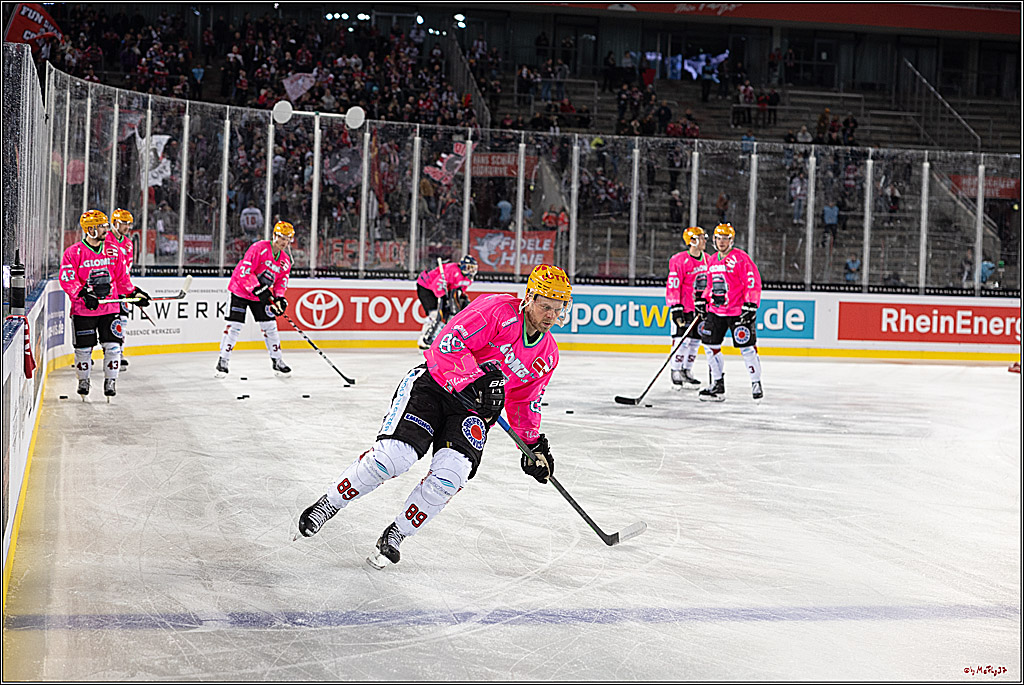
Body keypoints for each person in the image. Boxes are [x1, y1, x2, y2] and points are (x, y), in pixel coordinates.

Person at [296, 264, 573, 569]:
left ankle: (396, 534)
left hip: (471, 412)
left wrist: (531, 445)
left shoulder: (547, 354)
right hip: (434, 387)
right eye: (545, 306)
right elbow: (448, 343)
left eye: (557, 309)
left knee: (449, 478)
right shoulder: (497, 310)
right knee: (393, 457)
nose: (550, 315)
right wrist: (476, 378)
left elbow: (526, 400)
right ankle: (329, 504)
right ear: (529, 298)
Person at [60, 210, 151, 400]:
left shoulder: (114, 250)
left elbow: (122, 279)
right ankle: (83, 380)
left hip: (110, 309)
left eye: (105, 225)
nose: (105, 229)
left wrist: (134, 293)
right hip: (83, 311)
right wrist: (83, 294)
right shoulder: (73, 252)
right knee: (83, 350)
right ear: (90, 229)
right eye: (101, 226)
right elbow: (67, 279)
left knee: (113, 347)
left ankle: (111, 380)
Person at [215, 221, 294, 377]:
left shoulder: (285, 260)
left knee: (270, 326)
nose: (284, 242)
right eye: (282, 237)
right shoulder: (259, 248)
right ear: (274, 236)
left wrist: (280, 299)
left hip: (260, 294)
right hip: (241, 291)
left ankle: (277, 360)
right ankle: (223, 360)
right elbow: (245, 270)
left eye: (288, 239)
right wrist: (257, 289)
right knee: (235, 326)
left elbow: (281, 282)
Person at [697, 223, 764, 402]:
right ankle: (717, 384)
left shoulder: (740, 258)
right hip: (716, 311)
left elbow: (752, 280)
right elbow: (710, 285)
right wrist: (703, 299)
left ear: (731, 240)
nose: (721, 242)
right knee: (710, 346)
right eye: (718, 238)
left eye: (725, 238)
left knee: (747, 347)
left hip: (738, 311)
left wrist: (751, 303)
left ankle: (755, 383)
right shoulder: (711, 260)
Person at [666, 226, 709, 389]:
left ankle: (686, 370)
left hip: (700, 308)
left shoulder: (707, 259)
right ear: (692, 241)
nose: (704, 241)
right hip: (684, 307)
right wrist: (675, 306)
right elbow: (673, 284)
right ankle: (675, 370)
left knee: (695, 341)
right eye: (701, 238)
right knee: (681, 341)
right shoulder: (679, 260)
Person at [415, 255, 478, 349]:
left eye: (473, 269)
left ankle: (435, 338)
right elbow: (436, 285)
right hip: (426, 287)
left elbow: (458, 290)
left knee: (446, 314)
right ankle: (424, 339)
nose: (471, 271)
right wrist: (443, 298)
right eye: (469, 268)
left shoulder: (469, 279)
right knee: (435, 313)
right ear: (463, 266)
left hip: (441, 290)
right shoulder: (450, 269)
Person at [104, 208, 137, 370]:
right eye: (125, 224)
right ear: (115, 223)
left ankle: (119, 352)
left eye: (130, 224)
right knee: (104, 321)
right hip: (107, 289)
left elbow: (126, 268)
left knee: (122, 321)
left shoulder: (128, 244)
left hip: (121, 289)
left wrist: (127, 287)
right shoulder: (105, 240)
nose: (128, 227)